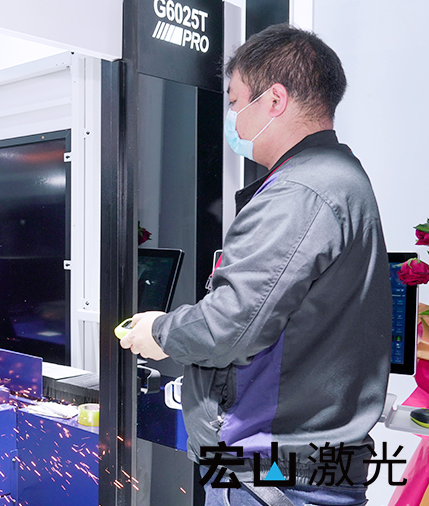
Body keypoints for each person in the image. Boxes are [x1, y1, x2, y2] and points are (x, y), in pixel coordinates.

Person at [122, 24, 391, 506]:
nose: (232, 117)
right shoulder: (336, 177)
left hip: (274, 473)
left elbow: (229, 326)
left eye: (234, 100)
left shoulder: (300, 192)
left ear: (274, 100)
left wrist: (159, 331)